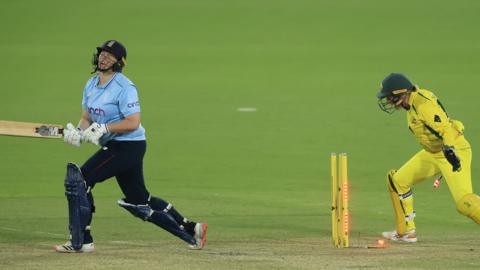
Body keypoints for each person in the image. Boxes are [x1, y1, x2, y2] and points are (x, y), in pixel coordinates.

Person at [55, 40, 207, 253]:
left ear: (119, 62)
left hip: (128, 146)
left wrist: (105, 128)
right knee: (139, 200)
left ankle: (83, 240)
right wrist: (77, 133)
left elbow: (133, 122)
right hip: (117, 145)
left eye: (110, 55)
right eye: (102, 53)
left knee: (81, 179)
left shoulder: (124, 87)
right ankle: (192, 228)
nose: (103, 57)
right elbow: (86, 117)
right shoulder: (91, 84)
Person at [376, 73, 480, 243]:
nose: (387, 101)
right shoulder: (411, 104)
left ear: (400, 94)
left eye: (389, 97)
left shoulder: (423, 105)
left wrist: (450, 149)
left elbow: (446, 128)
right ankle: (406, 232)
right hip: (434, 153)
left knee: (464, 202)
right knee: (397, 181)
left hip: (453, 150)